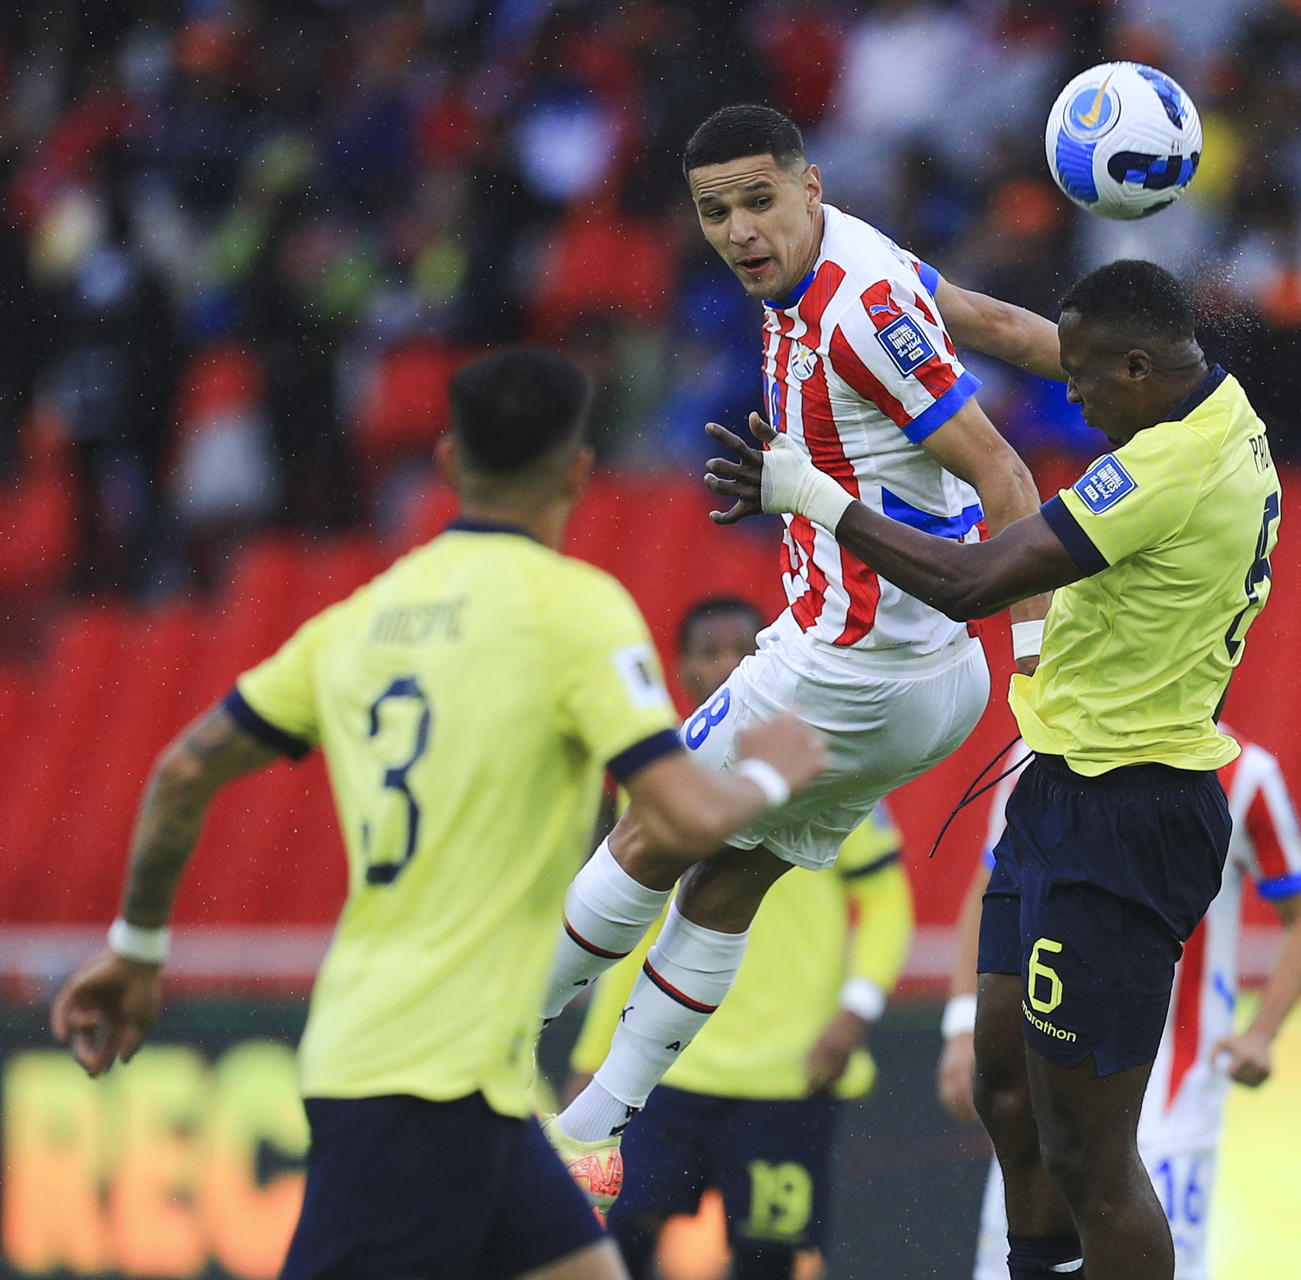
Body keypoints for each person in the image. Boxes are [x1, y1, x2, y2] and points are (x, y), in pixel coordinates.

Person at [48, 349, 826, 1280]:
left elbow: (181, 772)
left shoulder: (361, 618)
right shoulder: (576, 614)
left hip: (442, 1061)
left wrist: (136, 953)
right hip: (420, 1075)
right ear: (578, 473)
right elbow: (686, 822)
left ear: (450, 463)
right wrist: (774, 777)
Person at [707, 258, 1284, 1280]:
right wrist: (880, 266)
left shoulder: (1170, 469)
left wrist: (813, 497)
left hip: (1128, 811)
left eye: (1087, 380)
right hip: (1064, 785)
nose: (1073, 396)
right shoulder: (1204, 404)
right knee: (1006, 1086)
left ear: (1141, 367)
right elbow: (1021, 333)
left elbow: (972, 581)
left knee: (1093, 1154)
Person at [541, 103, 1062, 1170]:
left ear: (810, 186)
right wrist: (1140, 385)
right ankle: (592, 1131)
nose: (738, 230)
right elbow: (994, 325)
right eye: (714, 211)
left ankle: (481, 1043)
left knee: (656, 825)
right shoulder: (862, 257)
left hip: (851, 664)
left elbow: (1006, 474)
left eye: (759, 201)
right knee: (731, 880)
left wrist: (1038, 672)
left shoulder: (857, 309)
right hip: (921, 683)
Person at [565, 596, 914, 1280]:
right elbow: (635, 938)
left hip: (788, 1072)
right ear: (683, 671)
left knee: (767, 1261)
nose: (726, 662)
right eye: (709, 650)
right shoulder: (661, 784)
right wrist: (592, 1059)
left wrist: (856, 1010)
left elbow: (885, 900)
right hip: (664, 1070)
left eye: (740, 648)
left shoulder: (822, 763)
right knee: (621, 1244)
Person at [939, 726, 1301, 1280]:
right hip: (1050, 1082)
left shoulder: (1246, 775)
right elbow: (992, 887)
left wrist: (1261, 1033)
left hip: (1176, 1097)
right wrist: (962, 1026)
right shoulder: (1036, 747)